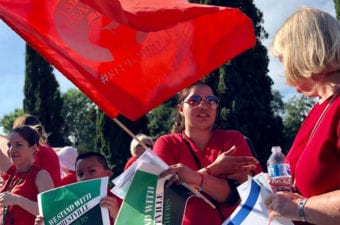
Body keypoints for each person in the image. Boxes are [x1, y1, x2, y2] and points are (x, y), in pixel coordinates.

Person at [264, 7, 340, 225]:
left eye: (283, 59)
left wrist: (299, 207)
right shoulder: (321, 106)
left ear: (302, 52)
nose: (285, 74)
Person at [153, 81, 261, 225]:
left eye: (211, 101)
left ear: (216, 109)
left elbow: (235, 194)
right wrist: (215, 169)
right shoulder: (166, 144)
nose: (203, 106)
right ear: (180, 109)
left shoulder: (233, 139)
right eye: (194, 100)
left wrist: (190, 177)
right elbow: (168, 197)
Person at [34, 151, 121, 225]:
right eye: (80, 174)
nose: (85, 177)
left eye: (92, 171)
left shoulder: (120, 201)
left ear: (108, 174)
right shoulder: (70, 205)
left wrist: (116, 215)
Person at [0, 126, 54, 225]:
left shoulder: (41, 175)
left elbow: (51, 212)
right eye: (9, 145)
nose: (12, 150)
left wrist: (18, 200)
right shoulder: (10, 173)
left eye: (18, 145)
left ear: (33, 148)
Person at [12, 114, 61, 187]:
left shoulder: (35, 149)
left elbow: (27, 177)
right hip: (52, 194)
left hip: (44, 195)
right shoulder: (45, 147)